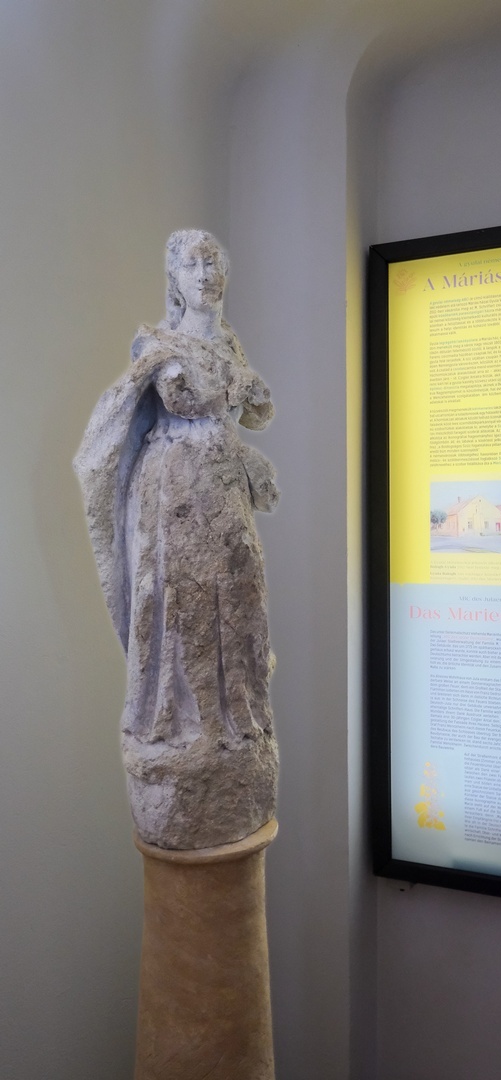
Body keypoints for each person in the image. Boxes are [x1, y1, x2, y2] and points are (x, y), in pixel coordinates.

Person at [75, 231, 279, 848]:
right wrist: (239, 386)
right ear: (175, 277)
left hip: (223, 486)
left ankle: (237, 722)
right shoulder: (159, 343)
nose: (206, 273)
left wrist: (244, 395)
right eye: (193, 264)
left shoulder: (227, 340)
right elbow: (186, 399)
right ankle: (184, 725)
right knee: (186, 604)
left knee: (240, 597)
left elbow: (258, 412)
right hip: (178, 493)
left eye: (214, 261)